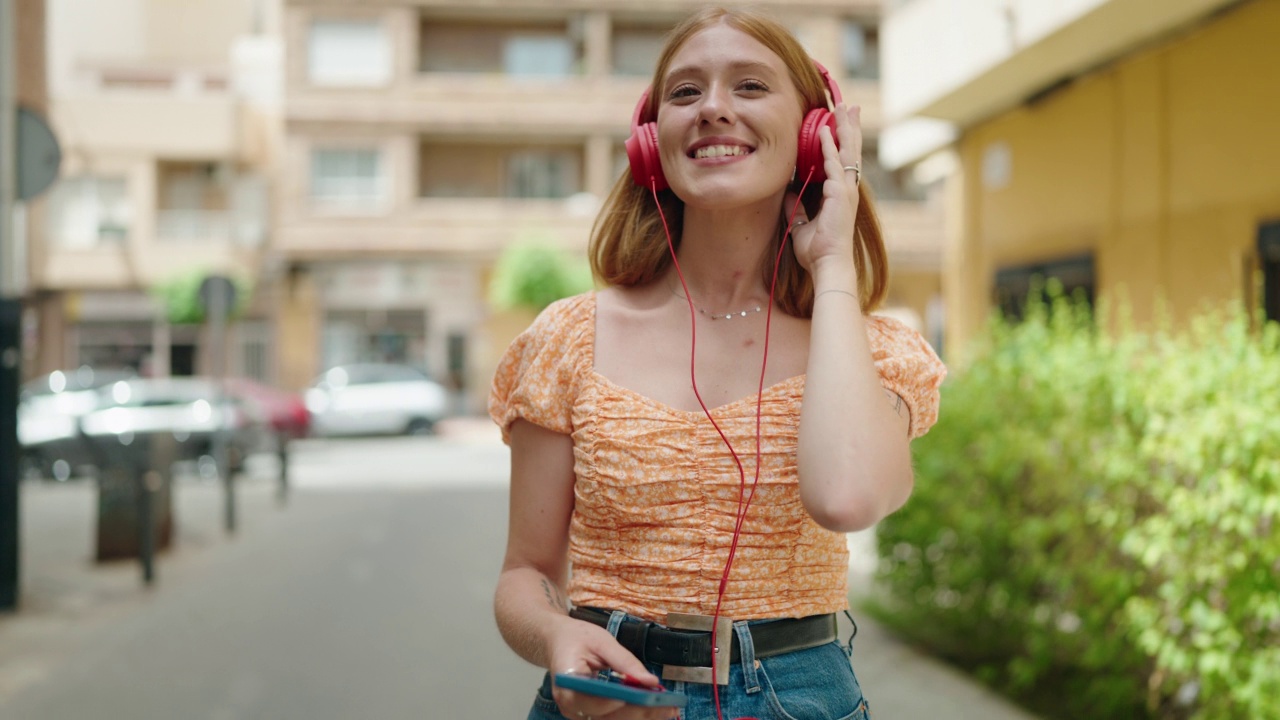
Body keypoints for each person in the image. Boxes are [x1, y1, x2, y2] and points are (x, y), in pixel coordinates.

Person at [489, 7, 946, 720]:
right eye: (685, 92)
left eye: (751, 86)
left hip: (796, 700)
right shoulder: (569, 338)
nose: (713, 110)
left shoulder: (872, 351)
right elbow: (525, 573)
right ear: (651, 140)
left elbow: (847, 499)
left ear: (812, 135)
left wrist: (831, 266)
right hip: (609, 698)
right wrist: (555, 635)